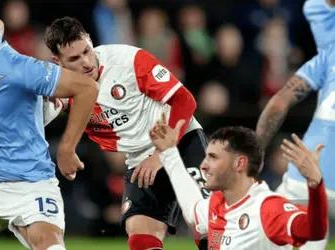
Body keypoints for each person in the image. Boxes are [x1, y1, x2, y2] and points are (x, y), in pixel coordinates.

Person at [43, 17, 208, 250]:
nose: (86, 62)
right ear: (57, 62)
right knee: (140, 234)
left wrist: (161, 154)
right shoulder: (59, 86)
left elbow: (184, 101)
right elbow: (39, 119)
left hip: (181, 141)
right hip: (140, 158)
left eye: (86, 51)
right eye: (74, 59)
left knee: (207, 224)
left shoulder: (128, 60)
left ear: (90, 41)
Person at [0, 6, 98, 250]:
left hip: (30, 183)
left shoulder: (18, 68)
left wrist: (67, 149)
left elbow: (87, 88)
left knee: (51, 247)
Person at [150, 115, 328, 249]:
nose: (203, 166)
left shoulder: (267, 208)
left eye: (213, 157)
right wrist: (169, 153)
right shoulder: (216, 204)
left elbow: (314, 231)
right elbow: (191, 210)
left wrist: (315, 183)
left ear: (239, 163)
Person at [256, 1, 335, 249]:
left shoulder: (330, 55)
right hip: (312, 175)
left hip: (309, 175)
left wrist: (254, 153)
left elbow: (278, 104)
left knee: (266, 237)